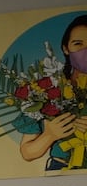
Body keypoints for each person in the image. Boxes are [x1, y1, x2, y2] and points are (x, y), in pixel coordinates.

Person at [17, 13, 87, 170]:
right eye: (78, 44)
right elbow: (28, 153)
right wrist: (50, 135)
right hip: (60, 171)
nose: (85, 50)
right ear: (66, 48)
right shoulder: (47, 90)